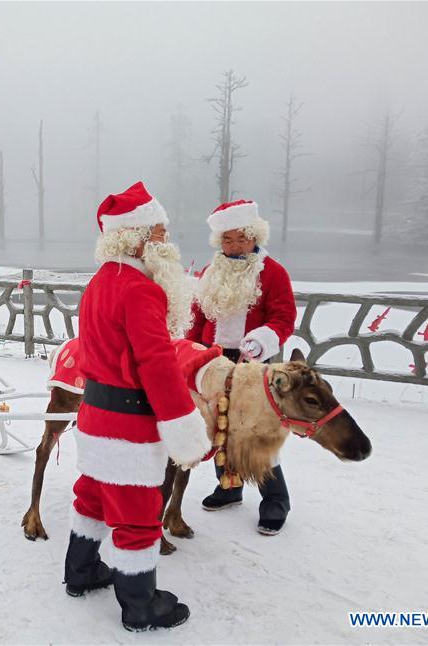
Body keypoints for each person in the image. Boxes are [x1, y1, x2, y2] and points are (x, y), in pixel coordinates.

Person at [64, 181, 211, 632]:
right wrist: (183, 423)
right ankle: (140, 605)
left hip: (95, 416)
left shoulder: (99, 283)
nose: (167, 242)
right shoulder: (141, 290)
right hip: (128, 422)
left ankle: (81, 572)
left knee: (91, 495)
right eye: (161, 233)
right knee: (138, 514)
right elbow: (156, 363)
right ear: (139, 237)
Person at [186, 199, 297, 535]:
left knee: (255, 431)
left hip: (253, 362)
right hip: (212, 358)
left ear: (254, 236)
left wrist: (263, 339)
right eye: (226, 240)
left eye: (239, 239)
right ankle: (229, 487)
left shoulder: (273, 272)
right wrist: (189, 349)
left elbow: (284, 318)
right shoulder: (209, 273)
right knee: (217, 425)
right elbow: (197, 316)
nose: (233, 246)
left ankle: (275, 500)